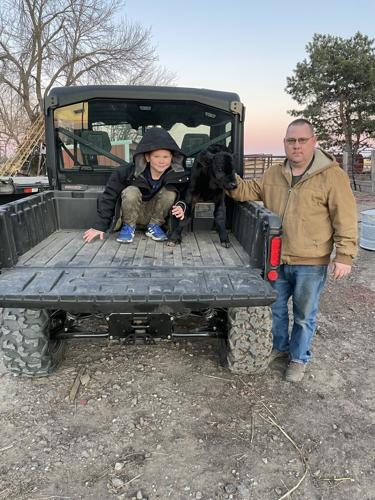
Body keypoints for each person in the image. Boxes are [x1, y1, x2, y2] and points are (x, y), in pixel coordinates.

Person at [227, 118, 358, 382]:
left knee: (303, 315)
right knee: (275, 309)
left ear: (313, 141)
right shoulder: (274, 173)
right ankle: (279, 347)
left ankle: (299, 358)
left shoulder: (333, 176)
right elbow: (247, 190)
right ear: (285, 143)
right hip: (276, 258)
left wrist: (344, 255)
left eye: (301, 140)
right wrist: (225, 178)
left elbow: (345, 216)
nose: (296, 146)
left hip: (311, 261)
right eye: (291, 140)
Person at [83, 127, 189, 244]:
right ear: (147, 157)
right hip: (131, 216)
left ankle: (154, 227)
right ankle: (128, 227)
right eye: (156, 156)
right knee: (131, 191)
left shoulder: (178, 176)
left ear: (172, 158)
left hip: (157, 218)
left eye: (165, 157)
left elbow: (185, 197)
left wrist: (182, 206)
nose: (161, 161)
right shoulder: (126, 173)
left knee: (170, 192)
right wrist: (100, 226)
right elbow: (109, 197)